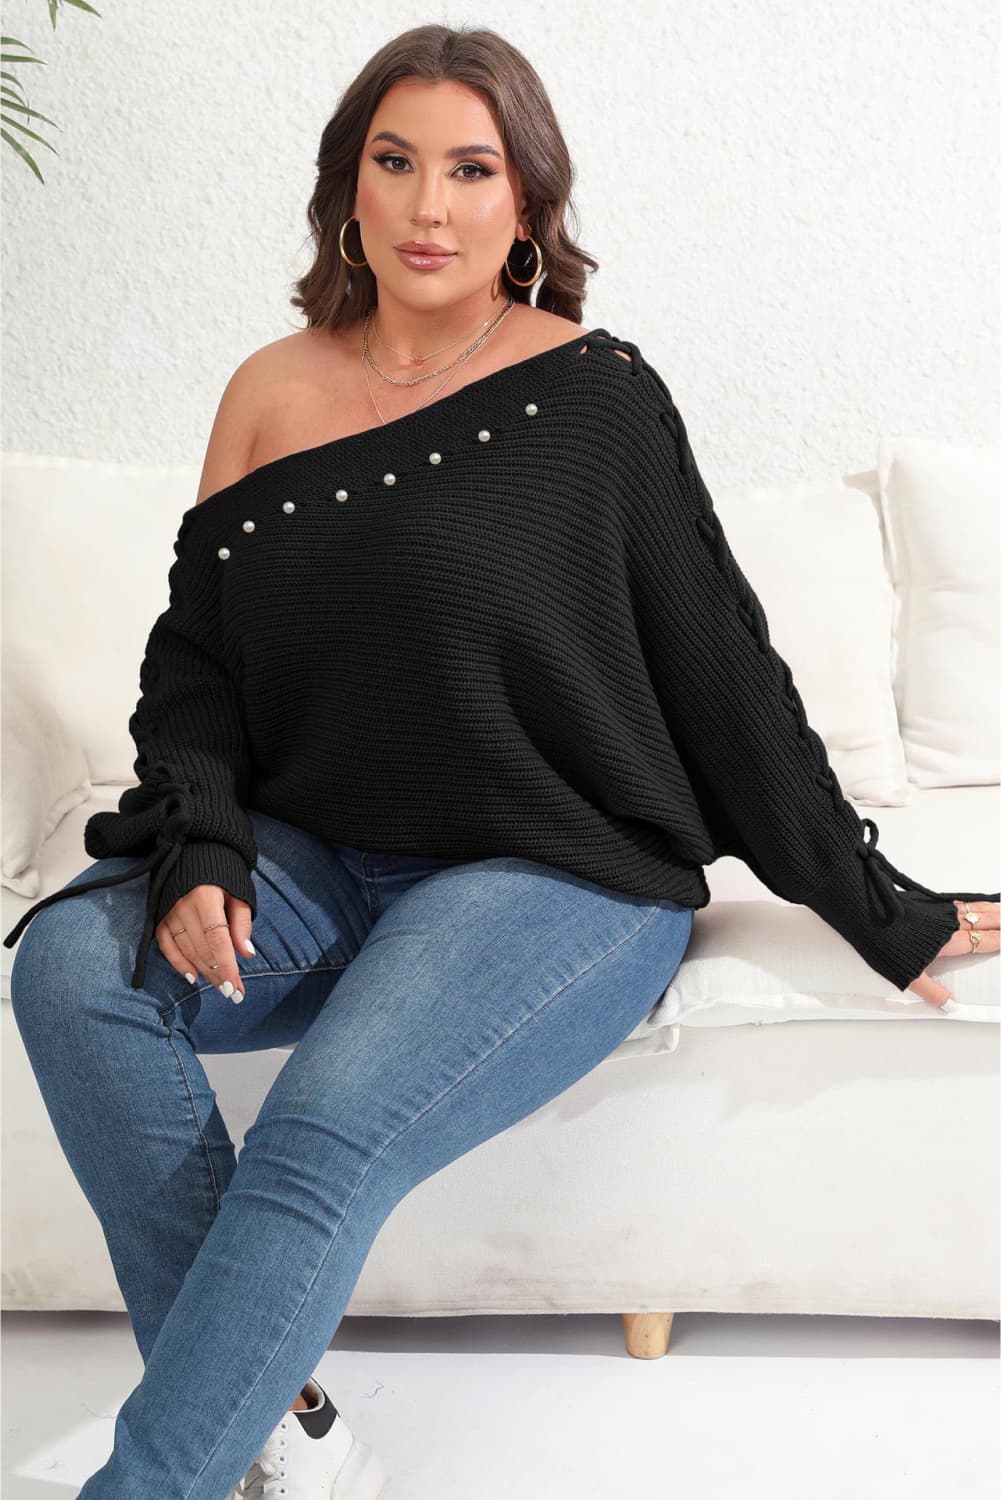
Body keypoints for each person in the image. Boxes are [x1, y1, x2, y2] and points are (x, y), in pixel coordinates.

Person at [5, 22, 998, 1500]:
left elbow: (724, 674)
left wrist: (874, 900)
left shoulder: (596, 397)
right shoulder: (267, 390)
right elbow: (195, 664)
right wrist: (201, 839)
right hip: (318, 853)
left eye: (472, 170)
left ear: (526, 202)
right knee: (70, 970)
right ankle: (283, 1429)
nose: (429, 207)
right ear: (346, 188)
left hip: (556, 870)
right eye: (395, 162)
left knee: (322, 1130)